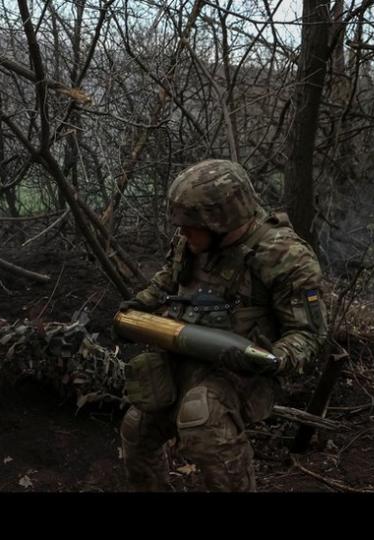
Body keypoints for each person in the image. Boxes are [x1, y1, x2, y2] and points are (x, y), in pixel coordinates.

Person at [117, 159, 327, 491]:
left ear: (221, 220)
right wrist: (140, 307)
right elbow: (167, 281)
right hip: (185, 357)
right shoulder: (193, 241)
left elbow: (309, 333)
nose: (182, 232)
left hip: (244, 374)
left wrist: (272, 358)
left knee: (204, 422)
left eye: (190, 225)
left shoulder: (283, 255)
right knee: (137, 427)